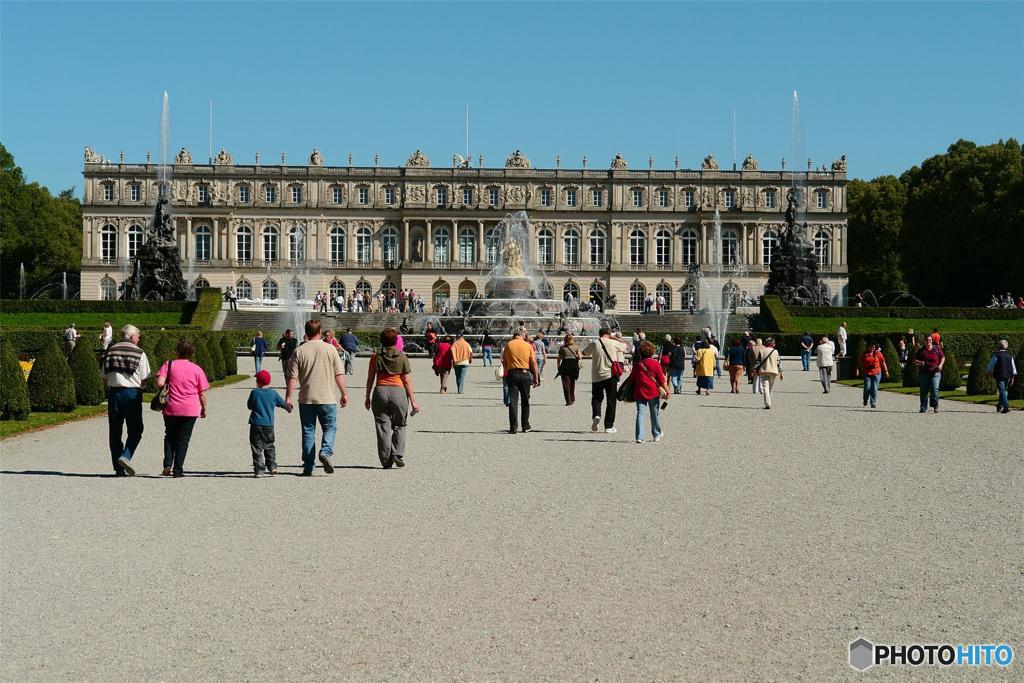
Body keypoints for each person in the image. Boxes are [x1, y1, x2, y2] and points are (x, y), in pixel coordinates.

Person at [285, 319, 348, 475]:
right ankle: (325, 451)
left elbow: (292, 377)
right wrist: (344, 393)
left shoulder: (299, 351)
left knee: (308, 431)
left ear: (306, 333)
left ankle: (308, 466)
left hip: (306, 398)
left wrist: (288, 397)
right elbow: (339, 374)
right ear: (320, 332)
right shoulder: (330, 349)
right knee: (330, 427)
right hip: (327, 397)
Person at [365, 328, 420, 468]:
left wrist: (367, 396)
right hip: (398, 391)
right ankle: (397, 454)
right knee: (400, 424)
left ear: (381, 340)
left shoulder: (375, 356)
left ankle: (386, 460)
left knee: (382, 427)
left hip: (380, 391)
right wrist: (413, 401)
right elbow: (406, 380)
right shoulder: (402, 356)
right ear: (396, 341)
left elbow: (370, 378)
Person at [102, 324, 151, 476]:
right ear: (131, 337)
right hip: (132, 394)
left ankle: (118, 468)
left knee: (115, 431)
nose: (139, 338)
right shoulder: (139, 352)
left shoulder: (111, 350)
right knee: (136, 429)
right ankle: (126, 455)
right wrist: (140, 386)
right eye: (138, 336)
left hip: (114, 394)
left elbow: (103, 376)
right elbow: (145, 377)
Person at [155, 340, 209, 478]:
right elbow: (202, 393)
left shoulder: (169, 364)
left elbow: (160, 383)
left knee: (169, 436)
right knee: (183, 439)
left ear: (177, 351)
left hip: (171, 407)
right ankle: (178, 470)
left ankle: (167, 464)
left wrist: (166, 385)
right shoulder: (197, 369)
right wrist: (203, 409)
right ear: (191, 353)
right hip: (190, 409)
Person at [247, 369, 291, 476]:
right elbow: (282, 403)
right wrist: (288, 407)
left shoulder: (254, 392)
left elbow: (249, 406)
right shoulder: (273, 393)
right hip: (268, 425)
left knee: (256, 447)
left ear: (259, 382)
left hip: (256, 424)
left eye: (257, 380)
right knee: (269, 445)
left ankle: (259, 469)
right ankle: (272, 466)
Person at [583, 328, 627, 434]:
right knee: (611, 400)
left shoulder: (594, 343)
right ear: (609, 334)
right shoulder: (613, 342)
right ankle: (608, 426)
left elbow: (584, 353)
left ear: (599, 334)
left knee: (596, 398)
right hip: (610, 375)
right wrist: (615, 338)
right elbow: (626, 347)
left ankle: (596, 415)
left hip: (596, 375)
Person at [501, 328, 540, 433]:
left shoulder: (509, 345)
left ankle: (513, 427)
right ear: (522, 336)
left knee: (513, 402)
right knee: (525, 401)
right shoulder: (527, 345)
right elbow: (533, 363)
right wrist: (536, 377)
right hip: (525, 374)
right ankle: (525, 425)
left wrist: (507, 371)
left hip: (512, 374)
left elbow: (504, 361)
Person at [631, 340, 669, 443]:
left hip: (640, 392)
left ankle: (639, 436)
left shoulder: (638, 365)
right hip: (653, 391)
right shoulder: (655, 363)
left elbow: (632, 379)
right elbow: (661, 379)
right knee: (654, 414)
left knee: (640, 414)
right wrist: (667, 390)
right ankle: (656, 434)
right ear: (652, 352)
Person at [913, 335, 945, 414]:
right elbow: (914, 360)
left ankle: (935, 406)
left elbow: (943, 357)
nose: (928, 341)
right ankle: (923, 407)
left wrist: (941, 365)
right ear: (925, 341)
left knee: (935, 389)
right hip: (924, 373)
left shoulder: (936, 349)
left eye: (930, 340)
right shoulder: (921, 350)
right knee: (924, 391)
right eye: (927, 340)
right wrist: (921, 362)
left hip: (936, 372)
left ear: (932, 340)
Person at [986, 340, 1017, 414]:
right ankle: (1000, 405)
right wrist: (1013, 377)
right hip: (1008, 375)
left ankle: (1005, 406)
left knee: (1002, 390)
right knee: (1003, 390)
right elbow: (1013, 368)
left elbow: (991, 365)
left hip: (999, 374)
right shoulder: (1010, 355)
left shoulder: (996, 355)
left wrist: (988, 372)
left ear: (999, 346)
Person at [752, 337, 783, 409]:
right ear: (772, 344)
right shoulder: (775, 351)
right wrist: (781, 372)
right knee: (770, 388)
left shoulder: (761, 351)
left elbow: (758, 362)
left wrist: (754, 370)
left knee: (765, 387)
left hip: (764, 371)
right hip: (773, 371)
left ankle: (767, 403)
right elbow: (779, 362)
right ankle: (769, 402)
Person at [859, 341, 889, 409]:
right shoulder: (864, 354)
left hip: (877, 372)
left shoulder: (878, 353)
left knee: (874, 388)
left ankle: (873, 402)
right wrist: (859, 370)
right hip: (867, 373)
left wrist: (886, 371)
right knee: (867, 387)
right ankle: (865, 398)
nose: (872, 348)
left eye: (873, 347)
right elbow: (860, 363)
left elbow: (883, 362)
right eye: (870, 347)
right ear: (868, 347)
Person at [555, 333, 582, 405]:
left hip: (565, 365)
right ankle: (572, 398)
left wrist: (558, 366)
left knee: (565, 383)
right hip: (574, 365)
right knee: (572, 383)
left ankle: (568, 400)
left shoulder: (562, 348)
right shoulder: (576, 347)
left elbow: (559, 359)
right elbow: (580, 357)